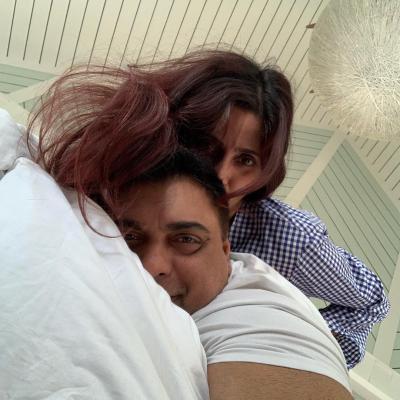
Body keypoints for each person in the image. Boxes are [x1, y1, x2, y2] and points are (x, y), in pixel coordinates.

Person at [146, 49, 389, 368]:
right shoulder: (124, 191)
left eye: (246, 160)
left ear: (265, 172)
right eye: (207, 147)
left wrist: (303, 349)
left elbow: (371, 301)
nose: (220, 176)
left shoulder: (292, 239)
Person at [119, 147, 352, 399]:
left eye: (186, 239)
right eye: (130, 237)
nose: (152, 266)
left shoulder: (264, 311)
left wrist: (331, 337)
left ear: (225, 251)